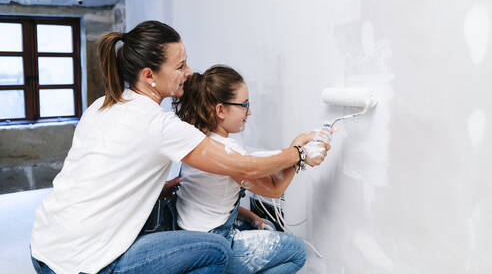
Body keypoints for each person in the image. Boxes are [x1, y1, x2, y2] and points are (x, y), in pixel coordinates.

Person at [30, 20, 329, 274]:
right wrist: (299, 153)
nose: (189, 71)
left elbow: (96, 177)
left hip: (44, 247)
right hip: (86, 264)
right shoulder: (159, 125)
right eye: (180, 65)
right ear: (149, 75)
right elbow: (246, 167)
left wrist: (162, 187)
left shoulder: (102, 105)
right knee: (216, 250)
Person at [173, 65, 331, 274]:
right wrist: (300, 153)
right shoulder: (228, 152)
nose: (250, 112)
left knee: (267, 226)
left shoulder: (200, 142)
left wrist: (248, 216)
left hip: (187, 234)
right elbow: (274, 189)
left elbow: (209, 201)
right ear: (220, 110)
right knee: (297, 251)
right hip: (212, 245)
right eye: (244, 105)